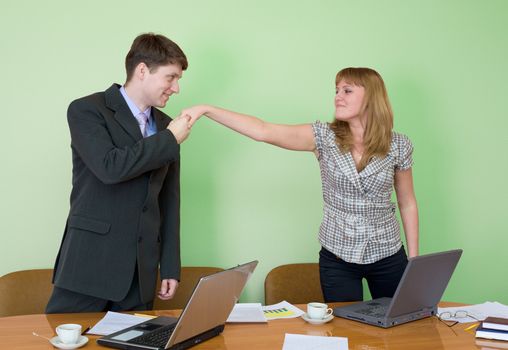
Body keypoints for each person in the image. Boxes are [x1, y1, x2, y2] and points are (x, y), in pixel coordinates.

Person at [182, 67, 418, 302]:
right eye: (336, 90)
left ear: (371, 97)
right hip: (338, 257)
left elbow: (407, 203)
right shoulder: (324, 137)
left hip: (387, 253)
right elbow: (263, 131)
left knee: (400, 327)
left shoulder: (398, 145)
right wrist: (207, 109)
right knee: (348, 331)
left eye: (347, 90)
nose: (338, 96)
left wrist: (414, 261)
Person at [46, 33, 192, 313]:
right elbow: (109, 167)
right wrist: (169, 140)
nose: (176, 88)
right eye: (171, 77)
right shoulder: (87, 110)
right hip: (89, 267)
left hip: (141, 274)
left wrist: (170, 266)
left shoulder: (166, 127)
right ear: (142, 71)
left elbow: (169, 201)